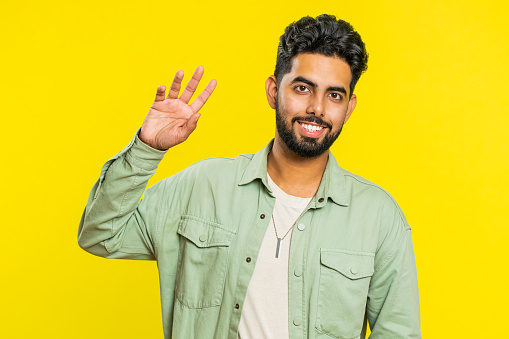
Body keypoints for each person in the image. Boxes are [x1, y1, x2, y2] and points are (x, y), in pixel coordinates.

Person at [78, 14, 421, 339]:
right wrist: (146, 148)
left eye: (334, 95)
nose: (317, 108)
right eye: (303, 88)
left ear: (349, 107)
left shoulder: (378, 217)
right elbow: (101, 235)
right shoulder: (203, 187)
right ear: (274, 91)